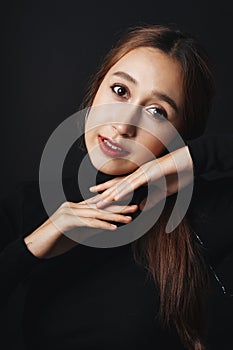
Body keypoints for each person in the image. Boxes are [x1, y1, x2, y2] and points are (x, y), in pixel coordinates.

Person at [0, 23, 233, 350]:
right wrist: (35, 244)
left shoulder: (201, 214)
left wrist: (188, 158)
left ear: (180, 133)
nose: (123, 125)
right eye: (120, 91)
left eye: (157, 112)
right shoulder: (28, 205)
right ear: (97, 89)